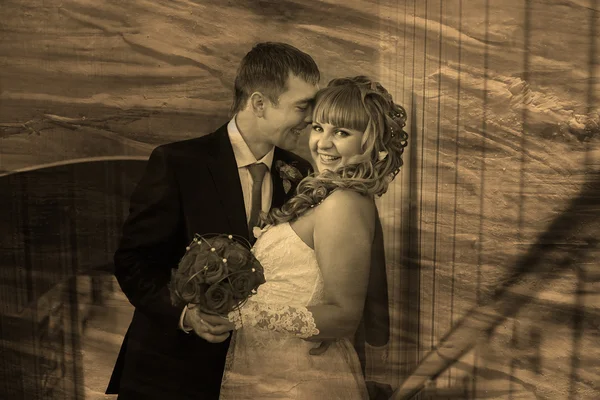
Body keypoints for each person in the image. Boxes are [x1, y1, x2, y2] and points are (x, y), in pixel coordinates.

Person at [105, 42, 320, 399]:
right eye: (303, 106)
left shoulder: (300, 173)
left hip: (262, 377)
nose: (311, 118)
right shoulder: (177, 164)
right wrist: (186, 315)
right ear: (259, 103)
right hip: (171, 373)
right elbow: (133, 263)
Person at [219, 76, 408, 399]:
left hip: (300, 377)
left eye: (342, 132)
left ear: (369, 141)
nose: (323, 142)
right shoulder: (329, 194)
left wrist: (238, 313)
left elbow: (344, 314)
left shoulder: (345, 204)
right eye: (319, 127)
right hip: (272, 367)